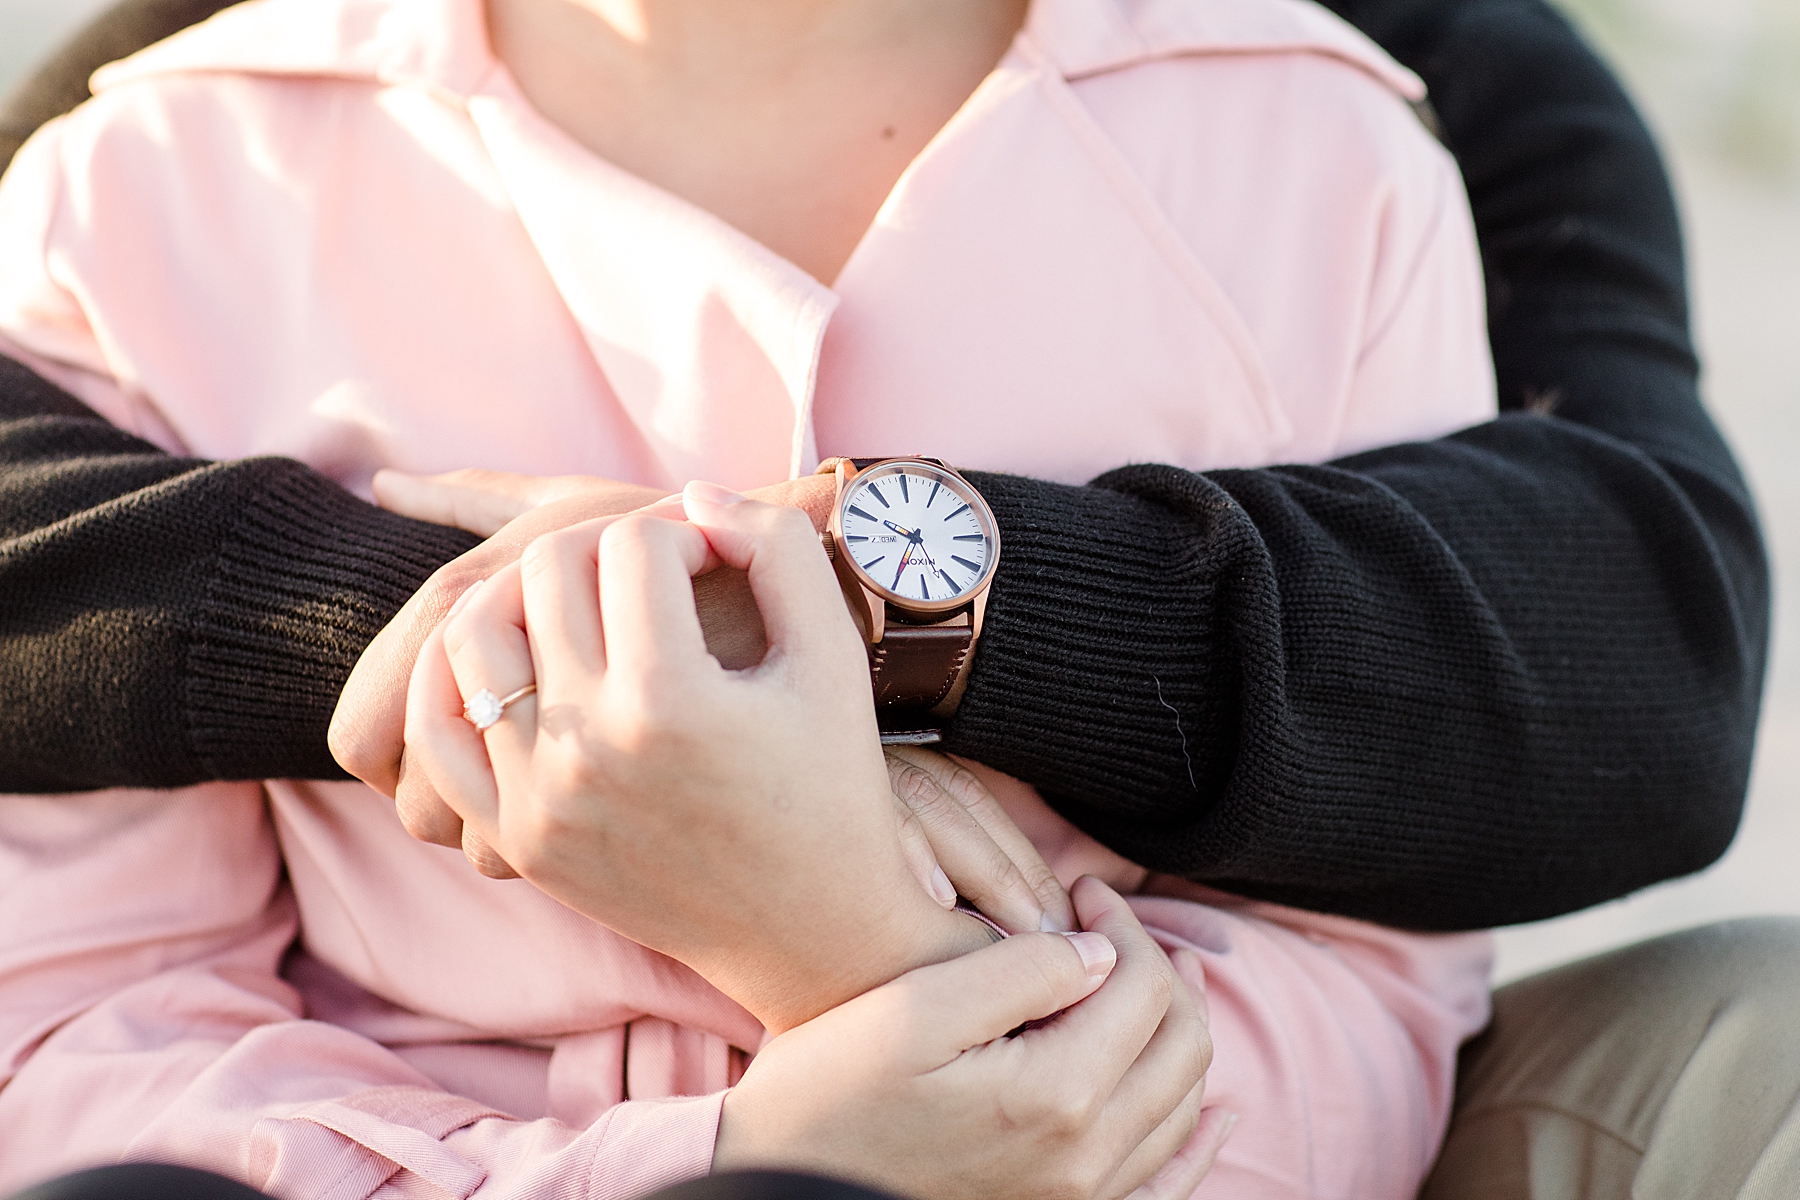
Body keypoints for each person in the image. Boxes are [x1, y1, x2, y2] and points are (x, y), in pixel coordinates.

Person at [0, 1, 1791, 1199]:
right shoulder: (145, 183)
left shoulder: (1334, 146)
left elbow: (1395, 937)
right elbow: (85, 1019)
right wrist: (729, 1156)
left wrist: (862, 924)